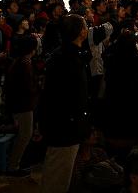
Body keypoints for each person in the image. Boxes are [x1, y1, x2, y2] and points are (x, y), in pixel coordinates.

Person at [39, 14, 90, 193]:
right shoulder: (68, 58)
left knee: (61, 173)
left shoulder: (65, 54)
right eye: (85, 26)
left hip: (64, 124)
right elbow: (68, 96)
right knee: (58, 176)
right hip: (64, 127)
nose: (87, 29)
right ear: (81, 32)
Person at [4, 35, 39, 176]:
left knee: (24, 135)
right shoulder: (25, 64)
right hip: (23, 105)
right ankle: (13, 166)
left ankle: (15, 163)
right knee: (25, 135)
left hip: (19, 103)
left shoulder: (19, 62)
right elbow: (27, 87)